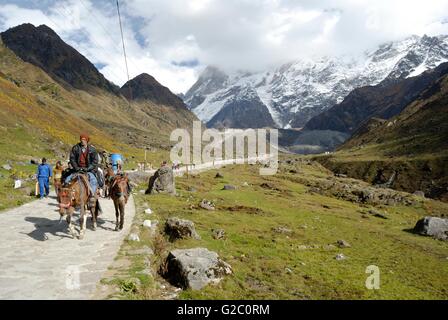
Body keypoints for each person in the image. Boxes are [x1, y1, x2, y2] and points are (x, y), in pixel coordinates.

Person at [64, 133, 101, 206]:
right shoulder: (75, 148)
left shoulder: (92, 150)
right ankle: (66, 197)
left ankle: (92, 196)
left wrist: (87, 168)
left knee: (94, 181)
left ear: (87, 140)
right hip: (77, 169)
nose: (82, 141)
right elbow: (72, 159)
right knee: (67, 180)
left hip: (89, 170)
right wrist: (76, 168)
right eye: (81, 139)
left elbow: (94, 161)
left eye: (84, 139)